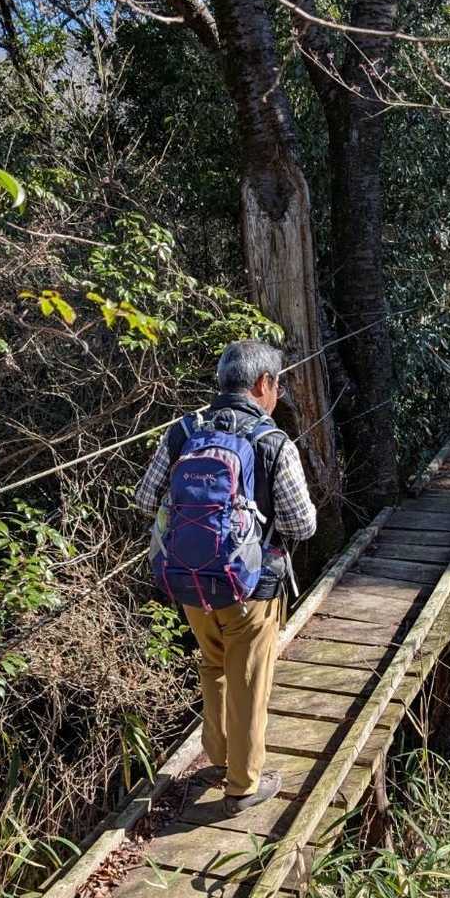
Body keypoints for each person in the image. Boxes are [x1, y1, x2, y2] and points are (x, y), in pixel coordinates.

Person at [134, 340, 317, 815]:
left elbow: (145, 499)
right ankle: (243, 785)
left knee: (213, 665)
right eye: (277, 384)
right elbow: (302, 525)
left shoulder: (184, 431)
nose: (277, 393)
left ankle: (218, 758)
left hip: (191, 582)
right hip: (252, 588)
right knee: (249, 681)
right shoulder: (273, 442)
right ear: (263, 383)